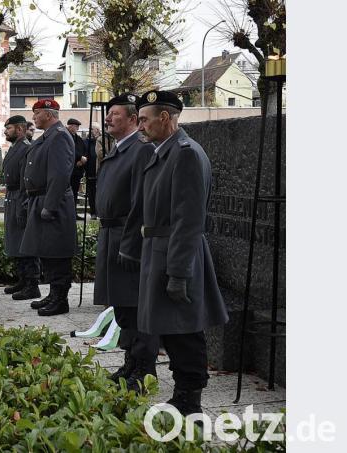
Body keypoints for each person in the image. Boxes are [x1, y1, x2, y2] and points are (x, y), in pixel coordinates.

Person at [136, 90, 229, 415]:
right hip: (160, 253)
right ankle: (182, 395)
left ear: (165, 118)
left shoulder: (186, 154)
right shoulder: (165, 151)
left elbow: (188, 221)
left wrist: (178, 273)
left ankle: (191, 401)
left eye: (145, 120)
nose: (140, 126)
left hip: (177, 256)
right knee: (172, 330)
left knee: (185, 331)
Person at [93, 93, 159, 392]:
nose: (108, 118)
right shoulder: (120, 149)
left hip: (126, 238)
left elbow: (140, 202)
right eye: (108, 113)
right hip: (112, 235)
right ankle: (131, 361)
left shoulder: (140, 150)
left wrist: (130, 245)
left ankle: (144, 370)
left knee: (135, 307)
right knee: (121, 306)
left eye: (115, 114)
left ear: (133, 119)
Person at [21, 99, 76, 316]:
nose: (33, 117)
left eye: (36, 113)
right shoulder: (49, 136)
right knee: (47, 252)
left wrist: (50, 206)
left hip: (54, 203)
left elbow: (60, 175)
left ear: (48, 114)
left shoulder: (60, 136)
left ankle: (60, 298)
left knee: (57, 253)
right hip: (41, 200)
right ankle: (53, 294)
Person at [1, 115, 41, 300]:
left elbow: (26, 179)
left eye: (8, 128)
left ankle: (32, 284)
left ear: (19, 129)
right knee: (15, 240)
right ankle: (23, 280)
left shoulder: (26, 148)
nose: (5, 131)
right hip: (12, 196)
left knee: (25, 243)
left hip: (20, 196)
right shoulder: (15, 147)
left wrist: (23, 206)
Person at [66, 118, 87, 220]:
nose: (77, 129)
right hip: (69, 170)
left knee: (74, 193)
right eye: (76, 126)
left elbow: (83, 150)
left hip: (77, 170)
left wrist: (82, 160)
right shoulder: (65, 136)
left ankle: (73, 213)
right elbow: (68, 151)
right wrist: (79, 158)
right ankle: (68, 214)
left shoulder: (78, 138)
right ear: (70, 126)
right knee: (68, 194)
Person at [83, 122, 102, 218]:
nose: (90, 131)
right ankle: (93, 212)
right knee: (91, 193)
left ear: (98, 130)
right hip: (90, 171)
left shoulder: (102, 140)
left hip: (101, 171)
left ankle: (101, 211)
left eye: (92, 129)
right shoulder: (86, 142)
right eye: (89, 129)